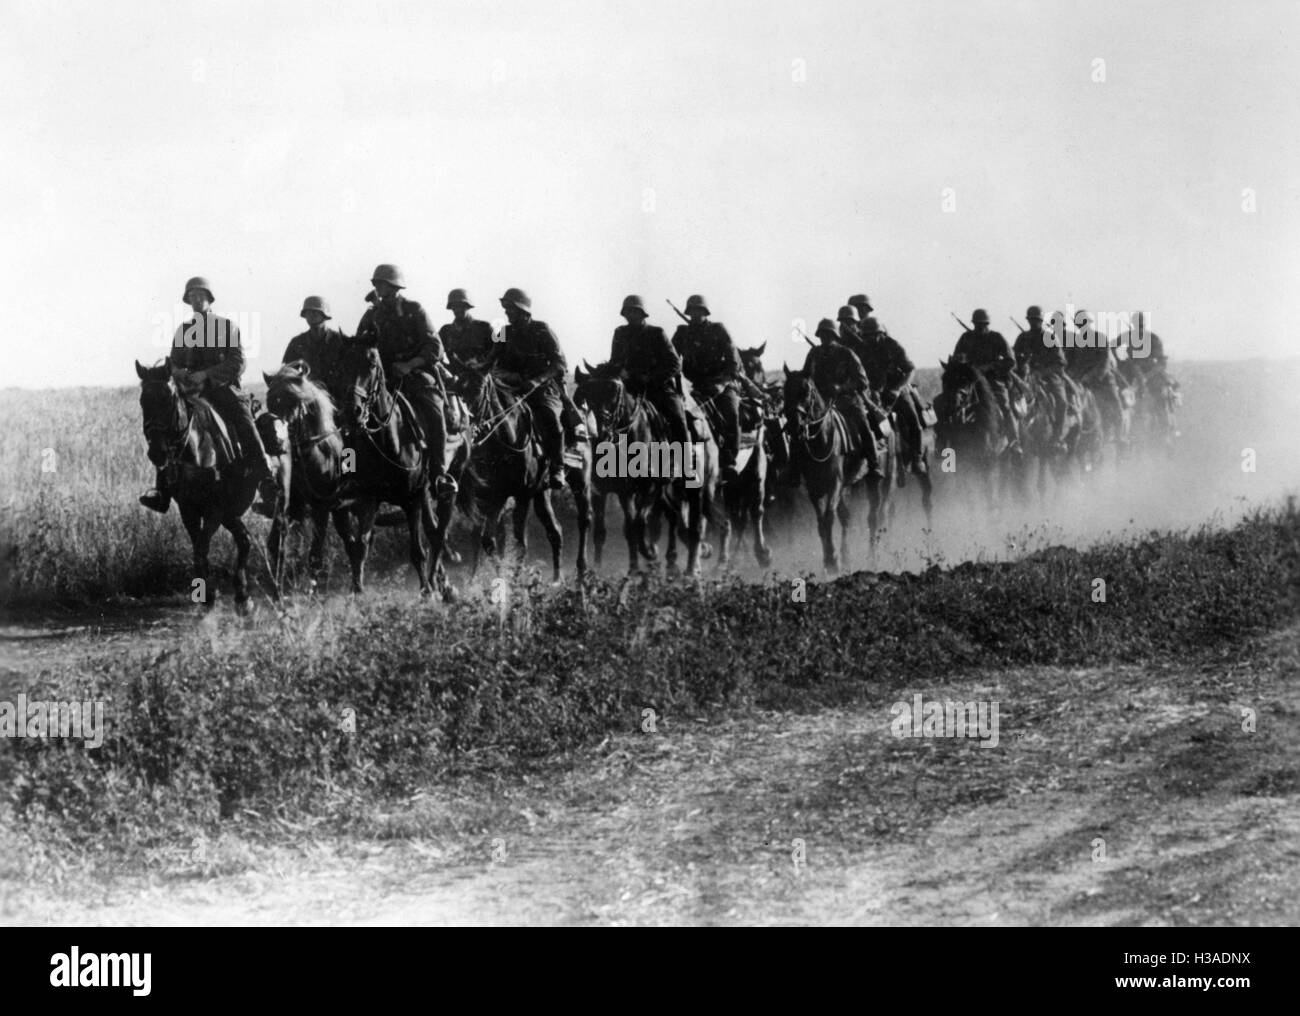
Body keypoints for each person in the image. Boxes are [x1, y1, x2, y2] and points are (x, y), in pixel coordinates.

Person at [140, 276, 275, 514]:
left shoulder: (226, 327)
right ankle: (161, 490)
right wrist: (178, 371)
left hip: (223, 390)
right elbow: (173, 362)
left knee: (245, 423)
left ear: (209, 298)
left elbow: (238, 362)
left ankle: (267, 480)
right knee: (167, 426)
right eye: (191, 296)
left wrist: (206, 375)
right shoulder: (183, 331)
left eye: (200, 295)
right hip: (190, 391)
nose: (196, 300)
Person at [353, 264, 455, 497]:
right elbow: (360, 346)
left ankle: (439, 473)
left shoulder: (414, 309)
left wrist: (409, 364)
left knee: (434, 409)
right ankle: (349, 473)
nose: (379, 288)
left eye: (384, 284)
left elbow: (435, 347)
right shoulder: (371, 315)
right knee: (352, 420)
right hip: (380, 379)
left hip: (415, 374)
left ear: (395, 286)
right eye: (377, 284)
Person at [495, 287, 570, 489]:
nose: (507, 313)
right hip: (512, 387)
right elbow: (493, 359)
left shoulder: (542, 329)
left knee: (550, 418)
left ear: (522, 310)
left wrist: (536, 381)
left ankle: (558, 466)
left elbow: (560, 364)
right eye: (506, 309)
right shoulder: (502, 332)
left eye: (511, 309)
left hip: (544, 388)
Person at [671, 294, 747, 481]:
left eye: (699, 311)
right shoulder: (683, 333)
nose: (695, 315)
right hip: (694, 386)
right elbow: (671, 358)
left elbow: (733, 363)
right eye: (692, 311)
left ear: (705, 312)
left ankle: (729, 460)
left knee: (730, 412)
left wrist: (720, 385)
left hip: (721, 383)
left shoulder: (718, 330)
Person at [800, 317, 882, 477]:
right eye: (822, 335)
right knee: (798, 427)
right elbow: (805, 376)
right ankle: (794, 470)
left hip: (847, 401)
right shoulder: (814, 353)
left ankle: (874, 464)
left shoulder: (847, 354)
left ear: (835, 336)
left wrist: (841, 387)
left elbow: (862, 381)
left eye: (828, 335)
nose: (825, 338)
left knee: (863, 425)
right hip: (820, 403)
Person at [608, 295, 689, 445]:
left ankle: (685, 462)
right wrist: (618, 371)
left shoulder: (657, 333)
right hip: (630, 388)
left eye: (635, 311)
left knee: (677, 415)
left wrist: (650, 378)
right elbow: (615, 361)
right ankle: (607, 462)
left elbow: (675, 364)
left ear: (642, 313)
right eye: (628, 312)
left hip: (658, 388)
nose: (631, 315)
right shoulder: (620, 333)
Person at [951, 308, 1019, 448]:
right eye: (977, 324)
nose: (979, 327)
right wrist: (962, 361)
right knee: (952, 403)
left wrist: (990, 367)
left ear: (987, 324)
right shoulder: (966, 338)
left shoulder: (996, 337)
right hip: (969, 380)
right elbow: (956, 357)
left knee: (1004, 404)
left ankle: (1014, 442)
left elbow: (1010, 361)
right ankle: (949, 446)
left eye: (982, 324)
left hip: (992, 379)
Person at [1012, 305, 1071, 447]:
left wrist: (1041, 372)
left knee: (1062, 402)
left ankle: (1057, 438)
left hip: (1048, 376)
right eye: (1031, 320)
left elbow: (1060, 362)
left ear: (1041, 320)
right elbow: (1014, 358)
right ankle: (1013, 438)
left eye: (1036, 320)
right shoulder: (1022, 337)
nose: (1033, 323)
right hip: (1026, 376)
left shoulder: (1049, 337)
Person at [281, 295, 349, 402]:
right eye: (308, 312)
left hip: (337, 396)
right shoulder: (297, 342)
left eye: (315, 312)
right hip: (308, 398)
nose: (311, 316)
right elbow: (287, 371)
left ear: (324, 314)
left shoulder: (339, 341)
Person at [438, 288, 495, 379]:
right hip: (454, 377)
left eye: (461, 306)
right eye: (454, 306)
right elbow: (435, 352)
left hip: (481, 377)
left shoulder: (484, 328)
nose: (457, 309)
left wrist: (479, 363)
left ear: (468, 306)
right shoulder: (445, 331)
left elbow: (496, 355)